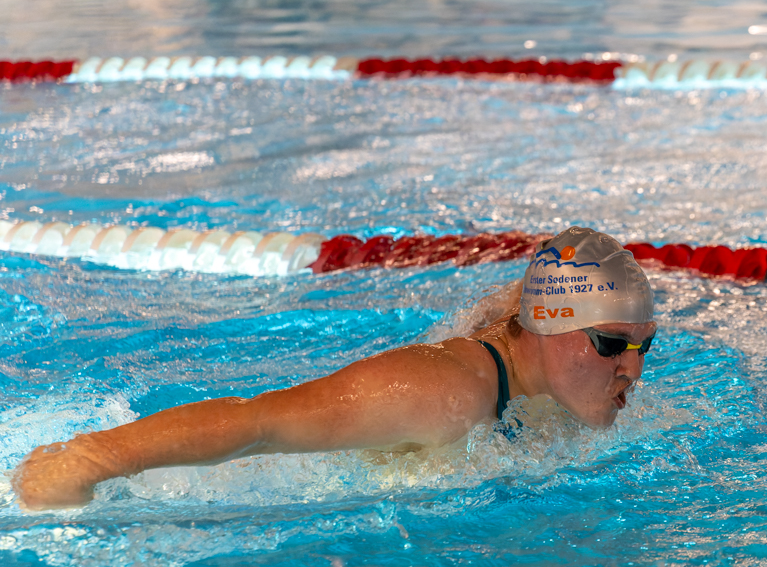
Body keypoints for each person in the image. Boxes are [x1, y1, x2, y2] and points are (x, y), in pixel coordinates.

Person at [13, 227, 657, 510]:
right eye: (610, 344)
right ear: (544, 325)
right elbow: (259, 423)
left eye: (643, 346)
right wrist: (95, 458)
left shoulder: (553, 384)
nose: (632, 369)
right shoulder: (442, 392)